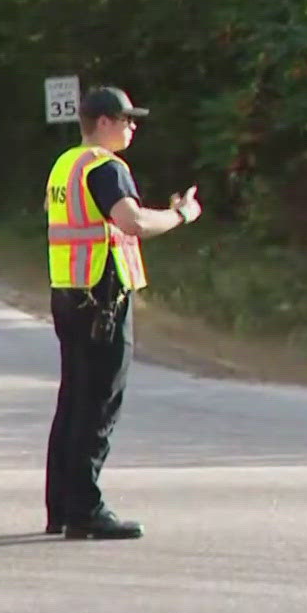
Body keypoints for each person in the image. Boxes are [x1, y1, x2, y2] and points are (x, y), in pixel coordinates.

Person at [44, 86, 201, 539]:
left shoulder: (66, 163)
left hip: (69, 291)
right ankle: (86, 509)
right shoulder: (105, 167)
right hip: (101, 298)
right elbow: (132, 222)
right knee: (98, 404)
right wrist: (181, 214)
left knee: (73, 401)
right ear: (105, 122)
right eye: (127, 119)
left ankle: (62, 508)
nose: (133, 126)